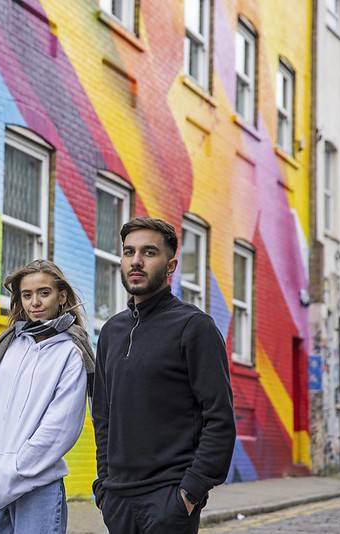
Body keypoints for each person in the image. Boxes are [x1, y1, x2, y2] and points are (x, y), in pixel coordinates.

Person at [92, 217, 236, 534]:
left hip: (168, 501)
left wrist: (190, 492)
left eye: (149, 252)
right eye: (129, 252)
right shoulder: (111, 332)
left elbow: (220, 416)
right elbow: (102, 414)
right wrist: (104, 487)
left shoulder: (194, 327)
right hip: (118, 500)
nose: (136, 261)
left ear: (170, 266)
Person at [0, 259, 95, 534]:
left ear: (61, 297)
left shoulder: (71, 352)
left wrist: (16, 470)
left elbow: (60, 427)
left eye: (43, 293)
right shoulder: (7, 345)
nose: (35, 301)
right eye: (27, 295)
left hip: (37, 485)